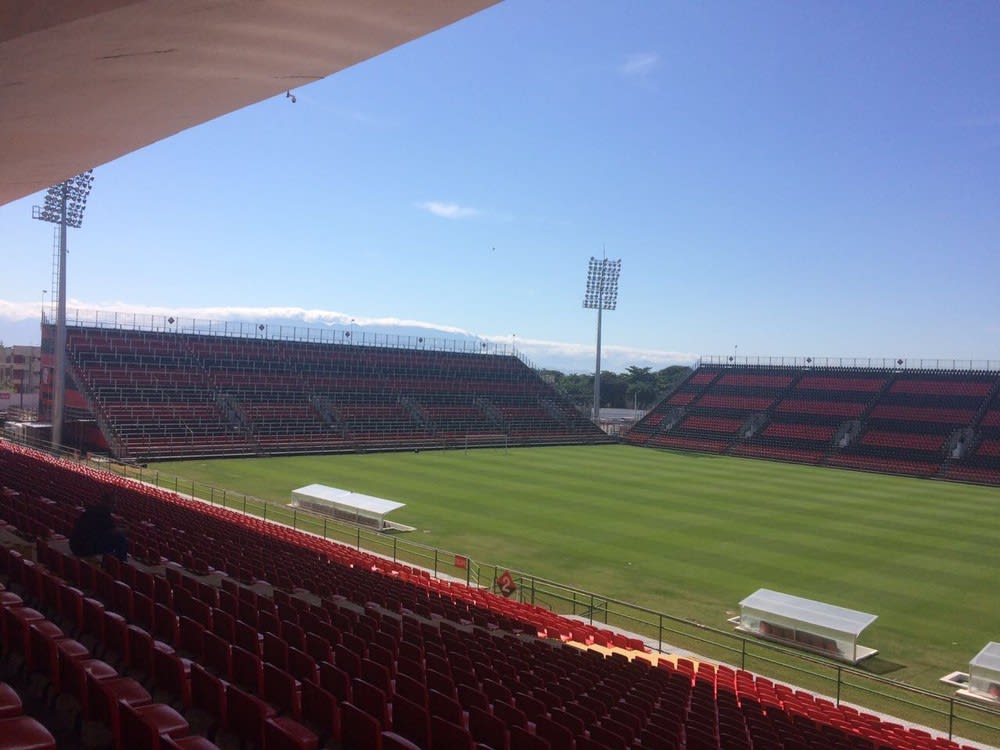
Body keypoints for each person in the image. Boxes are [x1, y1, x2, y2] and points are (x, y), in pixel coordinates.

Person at [69, 492, 128, 561]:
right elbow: (113, 531)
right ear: (105, 502)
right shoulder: (104, 514)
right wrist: (125, 530)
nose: (114, 506)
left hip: (74, 545)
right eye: (112, 503)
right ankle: (121, 562)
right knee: (121, 538)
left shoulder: (91, 510)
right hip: (84, 549)